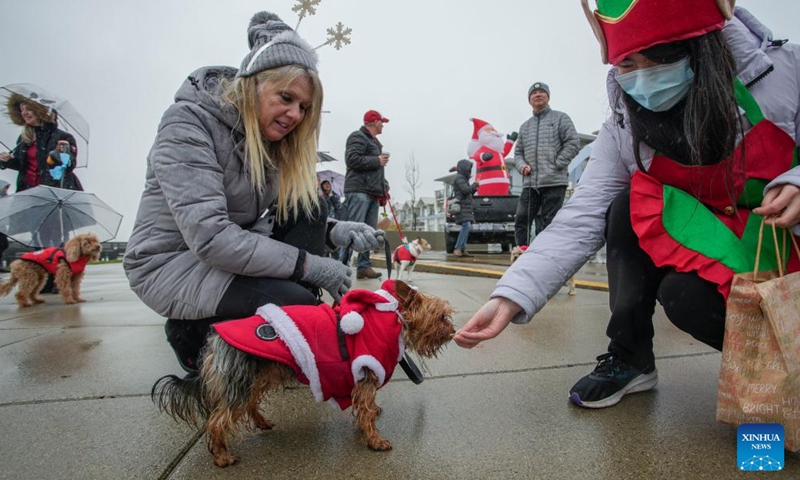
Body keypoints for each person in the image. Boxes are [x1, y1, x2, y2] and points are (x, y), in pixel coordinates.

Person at [455, 2, 800, 410]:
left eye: (645, 61)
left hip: (784, 242)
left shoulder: (784, 72)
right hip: (717, 244)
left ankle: (789, 365)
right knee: (631, 217)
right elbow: (582, 216)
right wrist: (511, 295)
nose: (636, 79)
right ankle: (635, 355)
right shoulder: (625, 121)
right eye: (623, 65)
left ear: (692, 49)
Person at [123, 11, 384, 373]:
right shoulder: (187, 122)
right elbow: (211, 236)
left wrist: (335, 232)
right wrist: (313, 267)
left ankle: (264, 334)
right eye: (286, 97)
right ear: (255, 84)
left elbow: (282, 217)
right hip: (173, 264)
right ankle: (193, 333)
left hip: (222, 256)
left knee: (309, 206)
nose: (295, 114)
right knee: (297, 307)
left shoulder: (269, 139)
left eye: (304, 107)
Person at [512, 81, 580, 247]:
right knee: (521, 219)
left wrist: (557, 163)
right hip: (530, 184)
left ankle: (546, 255)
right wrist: (522, 167)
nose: (538, 95)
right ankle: (522, 254)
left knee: (550, 223)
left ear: (548, 96)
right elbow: (518, 153)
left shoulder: (560, 118)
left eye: (542, 92)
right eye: (534, 93)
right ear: (529, 99)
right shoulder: (525, 127)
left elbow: (573, 143)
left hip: (554, 182)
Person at [341, 109, 390, 279]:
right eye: (381, 122)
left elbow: (373, 170)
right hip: (359, 190)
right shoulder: (357, 136)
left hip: (372, 192)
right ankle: (342, 266)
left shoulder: (373, 141)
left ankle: (363, 266)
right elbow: (351, 159)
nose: (383, 125)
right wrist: (376, 160)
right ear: (374, 122)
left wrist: (384, 187)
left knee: (369, 232)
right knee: (353, 230)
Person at [0, 93, 83, 192]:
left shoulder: (63, 137)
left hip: (55, 192)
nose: (24, 113)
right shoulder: (24, 138)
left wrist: (60, 156)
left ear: (40, 111)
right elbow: (22, 165)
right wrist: (7, 160)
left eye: (28, 109)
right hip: (27, 191)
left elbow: (70, 165)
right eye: (22, 110)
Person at [466, 118, 516, 196]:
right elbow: (477, 155)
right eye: (489, 130)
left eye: (493, 129)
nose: (493, 131)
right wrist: (483, 156)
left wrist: (510, 141)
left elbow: (504, 151)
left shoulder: (499, 152)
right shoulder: (483, 149)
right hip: (487, 182)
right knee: (488, 200)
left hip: (504, 182)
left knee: (502, 200)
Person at [451, 159, 479, 257]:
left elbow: (468, 192)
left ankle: (462, 249)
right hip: (462, 206)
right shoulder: (459, 178)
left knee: (467, 226)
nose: (469, 171)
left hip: (466, 206)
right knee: (466, 226)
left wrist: (475, 187)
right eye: (468, 168)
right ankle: (458, 248)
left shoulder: (462, 178)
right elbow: (465, 191)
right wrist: (475, 185)